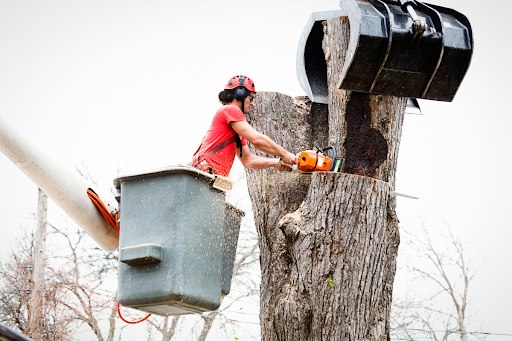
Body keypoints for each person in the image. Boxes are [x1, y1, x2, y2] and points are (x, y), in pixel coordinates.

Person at [191, 75, 297, 177]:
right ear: (240, 94)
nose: (252, 103)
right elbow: (257, 139)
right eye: (251, 98)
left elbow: (248, 160)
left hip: (210, 177)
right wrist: (284, 154)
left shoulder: (235, 130)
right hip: (203, 174)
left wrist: (276, 162)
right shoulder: (230, 110)